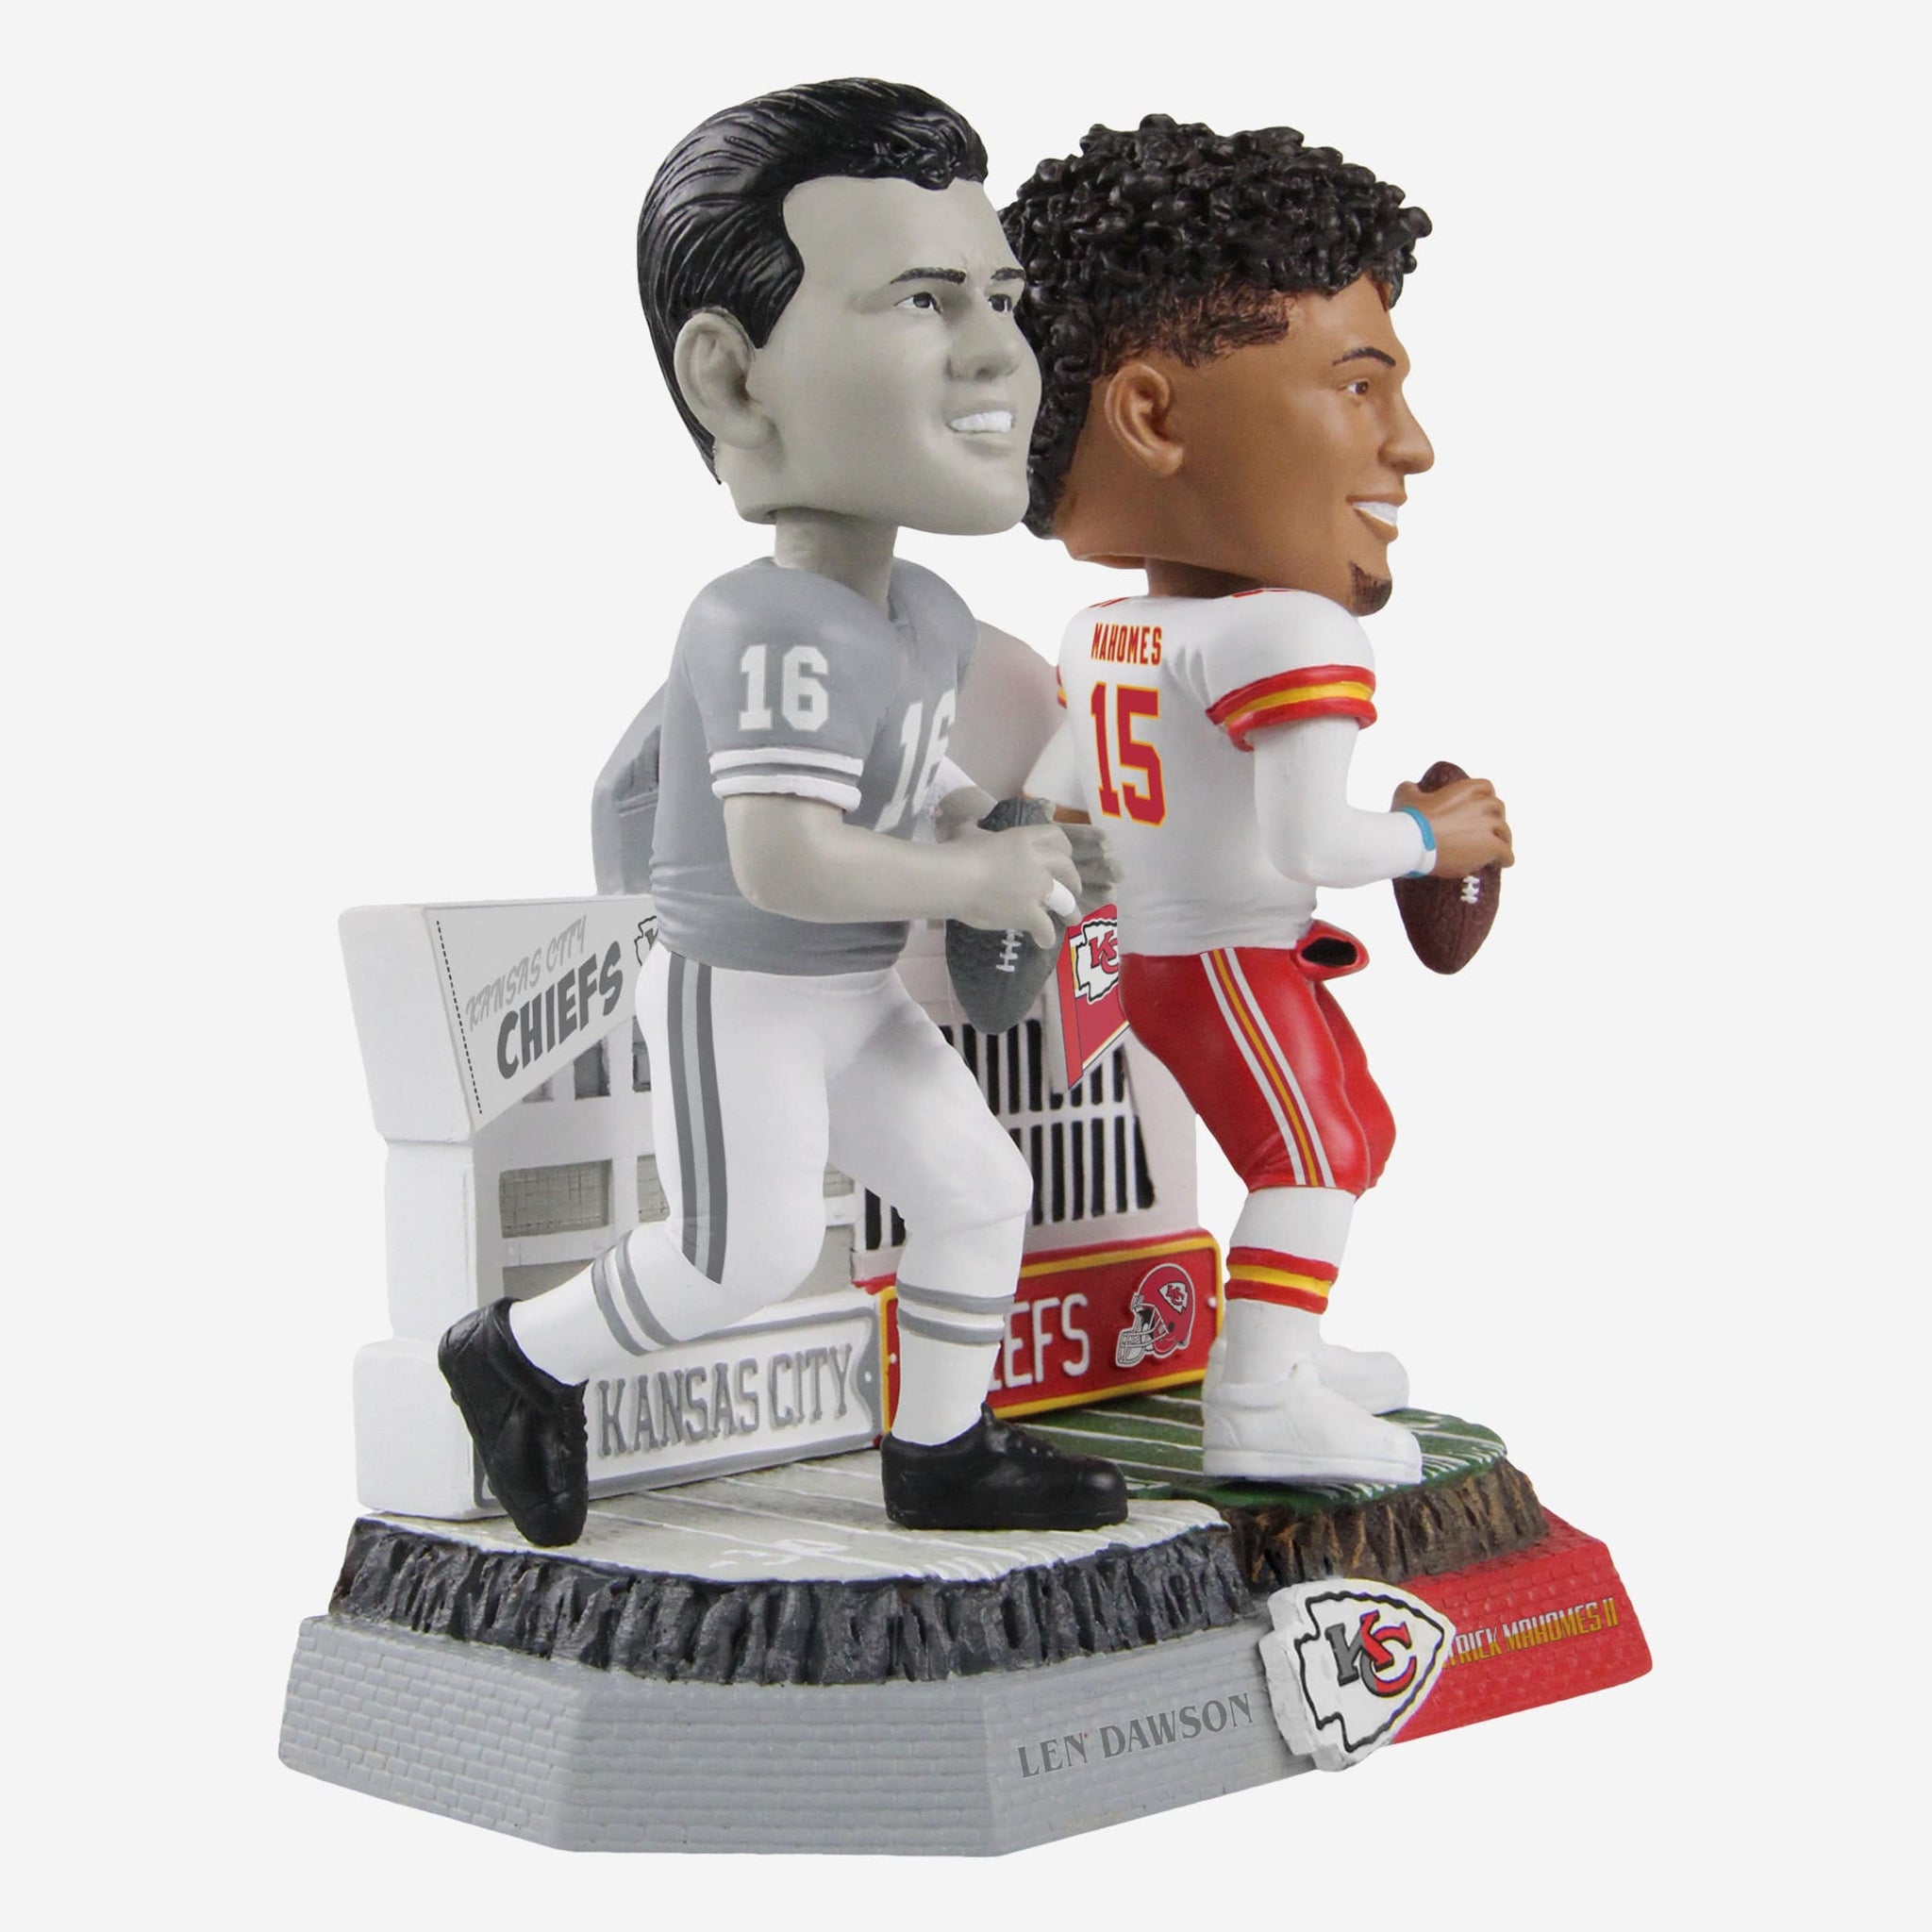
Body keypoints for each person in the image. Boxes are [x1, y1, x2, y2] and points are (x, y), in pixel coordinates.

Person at [438, 79, 1126, 1544]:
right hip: (742, 989)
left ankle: (940, 1453)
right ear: (737, 381)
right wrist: (970, 886)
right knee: (735, 1255)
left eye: (1001, 297)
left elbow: (904, 776)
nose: (996, 347)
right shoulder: (762, 624)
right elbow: (785, 856)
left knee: (976, 1188)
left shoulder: (925, 611)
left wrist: (989, 823)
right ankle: (517, 1355)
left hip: (851, 987)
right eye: (924, 298)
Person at [1008, 116, 1513, 1485]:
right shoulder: (1292, 634)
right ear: (1154, 418)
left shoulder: (1103, 634)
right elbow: (1309, 840)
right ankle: (1260, 1399)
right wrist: (1436, 837)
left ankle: (1279, 1339)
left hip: (1163, 957)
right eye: (1359, 387)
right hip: (1226, 950)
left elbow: (1061, 796)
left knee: (1353, 1130)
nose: (1411, 445)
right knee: (1313, 1151)